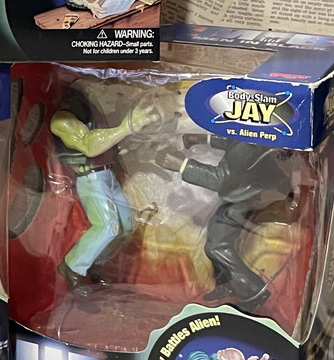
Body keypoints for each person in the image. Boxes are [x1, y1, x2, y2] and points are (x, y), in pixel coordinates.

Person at [155, 136, 292, 308]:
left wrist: (182, 165)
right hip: (242, 196)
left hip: (242, 200)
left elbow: (221, 180)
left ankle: (253, 290)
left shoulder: (247, 144)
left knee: (217, 247)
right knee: (214, 238)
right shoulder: (248, 137)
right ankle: (228, 283)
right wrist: (205, 138)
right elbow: (234, 141)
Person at [51, 81, 158, 294]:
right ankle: (72, 267)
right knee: (107, 226)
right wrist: (126, 127)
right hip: (91, 178)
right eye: (103, 86)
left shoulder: (96, 114)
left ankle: (94, 262)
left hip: (108, 175)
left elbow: (109, 145)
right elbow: (89, 145)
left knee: (126, 226)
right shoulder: (63, 119)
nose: (111, 93)